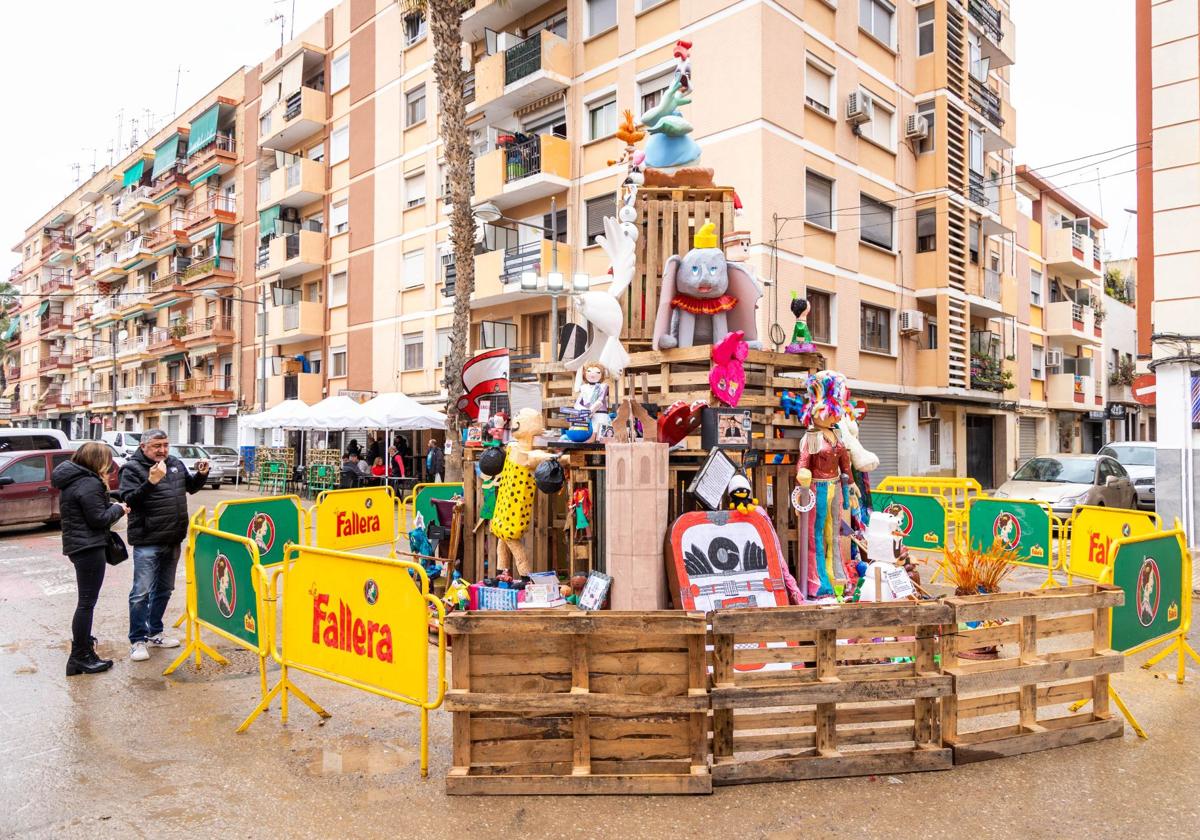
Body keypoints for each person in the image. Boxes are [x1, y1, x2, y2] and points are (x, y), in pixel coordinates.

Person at [119, 429, 208, 662]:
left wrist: (201, 475)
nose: (162, 450)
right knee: (141, 592)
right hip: (148, 539)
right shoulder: (132, 469)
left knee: (165, 589)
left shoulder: (175, 463)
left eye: (165, 445)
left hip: (173, 537)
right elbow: (129, 499)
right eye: (157, 445)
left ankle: (155, 632)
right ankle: (137, 639)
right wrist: (151, 482)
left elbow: (190, 487)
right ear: (143, 447)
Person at [52, 443, 130, 676]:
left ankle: (84, 650)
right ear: (98, 460)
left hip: (79, 545)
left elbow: (89, 509)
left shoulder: (73, 479)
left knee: (86, 602)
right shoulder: (89, 482)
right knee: (86, 603)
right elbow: (98, 518)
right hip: (89, 547)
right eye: (106, 460)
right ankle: (79, 656)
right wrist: (120, 509)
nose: (109, 464)